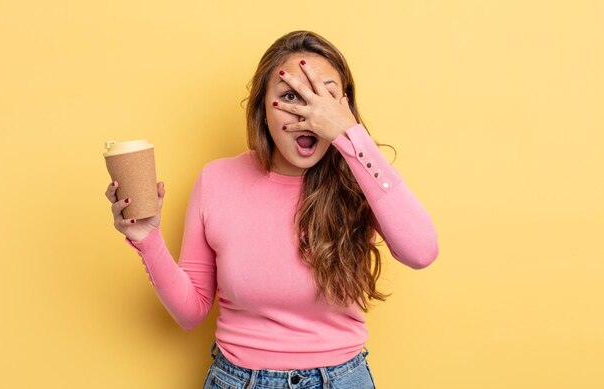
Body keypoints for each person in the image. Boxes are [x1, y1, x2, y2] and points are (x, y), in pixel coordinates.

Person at [105, 30, 438, 389]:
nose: (307, 112)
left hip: (342, 379)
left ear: (343, 108)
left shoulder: (362, 178)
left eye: (323, 96)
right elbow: (191, 311)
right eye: (290, 96)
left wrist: (351, 138)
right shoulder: (216, 180)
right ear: (263, 108)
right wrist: (148, 239)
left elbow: (421, 251)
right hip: (237, 379)